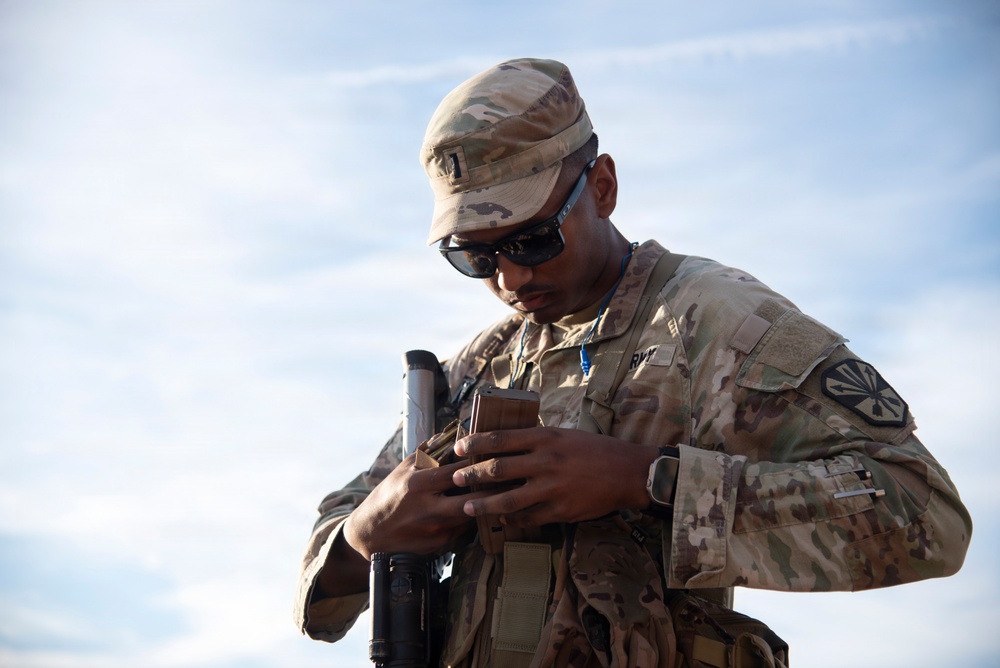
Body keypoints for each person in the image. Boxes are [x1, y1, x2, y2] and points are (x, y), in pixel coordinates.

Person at [294, 58, 971, 667]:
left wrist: (649, 482)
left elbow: (924, 514)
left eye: (532, 239)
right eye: (473, 256)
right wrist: (362, 538)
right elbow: (318, 586)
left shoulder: (720, 323)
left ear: (604, 187)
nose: (507, 280)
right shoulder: (478, 367)